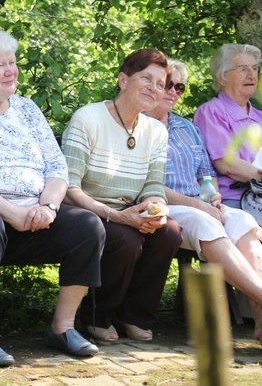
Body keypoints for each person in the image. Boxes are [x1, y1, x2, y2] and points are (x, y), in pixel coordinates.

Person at [0, 29, 104, 363]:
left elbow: (57, 166)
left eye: (13, 62)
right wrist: (9, 212)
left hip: (34, 211)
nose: (11, 70)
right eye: (0, 65)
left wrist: (49, 206)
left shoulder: (26, 109)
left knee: (88, 226)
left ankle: (63, 327)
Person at [61, 48, 182, 343]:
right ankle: (96, 315)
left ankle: (133, 315)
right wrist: (116, 215)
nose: (154, 88)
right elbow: (67, 187)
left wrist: (156, 209)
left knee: (170, 232)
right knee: (125, 239)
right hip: (86, 210)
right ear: (123, 80)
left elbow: (154, 186)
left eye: (160, 83)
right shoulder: (88, 118)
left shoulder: (156, 131)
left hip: (130, 211)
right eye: (146, 78)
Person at [146, 58, 262, 342]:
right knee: (205, 222)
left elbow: (205, 177)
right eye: (168, 84)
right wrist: (199, 205)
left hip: (200, 205)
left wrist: (213, 198)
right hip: (163, 205)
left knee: (243, 220)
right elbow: (150, 187)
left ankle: (260, 323)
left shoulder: (186, 128)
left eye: (180, 87)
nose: (174, 92)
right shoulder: (139, 127)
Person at [193, 44, 262, 213]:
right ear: (222, 77)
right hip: (236, 200)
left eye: (254, 68)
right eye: (243, 69)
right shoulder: (211, 111)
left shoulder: (259, 116)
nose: (252, 75)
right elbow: (227, 164)